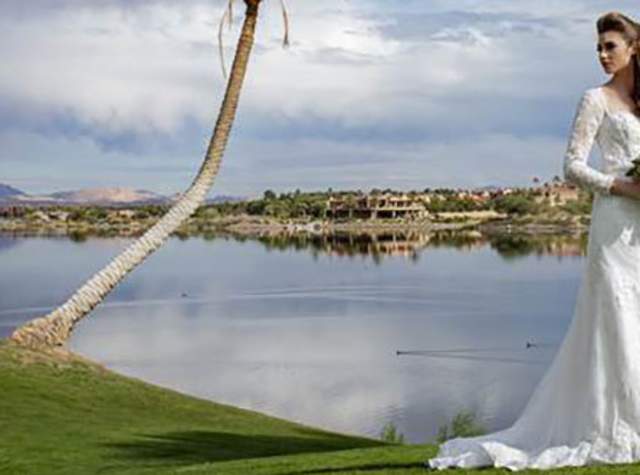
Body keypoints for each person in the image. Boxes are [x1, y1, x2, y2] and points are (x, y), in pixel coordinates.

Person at [426, 11, 640, 471]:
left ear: (634, 48)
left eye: (610, 47)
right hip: (614, 221)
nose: (603, 55)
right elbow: (572, 167)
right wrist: (621, 185)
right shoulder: (594, 99)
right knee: (617, 318)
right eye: (599, 48)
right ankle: (619, 427)